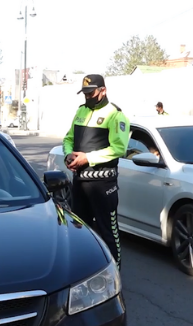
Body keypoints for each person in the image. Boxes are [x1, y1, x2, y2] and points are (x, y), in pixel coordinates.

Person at [63, 74, 130, 269]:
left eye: (90, 92)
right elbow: (68, 138)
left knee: (107, 230)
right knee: (79, 230)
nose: (87, 97)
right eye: (84, 93)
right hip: (79, 183)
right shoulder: (81, 111)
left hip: (103, 185)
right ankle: (84, 271)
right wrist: (69, 155)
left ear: (103, 90)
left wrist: (87, 158)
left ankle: (114, 272)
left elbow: (119, 148)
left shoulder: (115, 114)